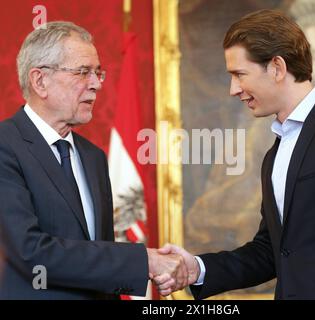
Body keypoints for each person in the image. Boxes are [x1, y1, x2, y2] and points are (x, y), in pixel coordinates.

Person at [153, 9, 315, 299]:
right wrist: (197, 269)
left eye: (239, 74)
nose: (233, 89)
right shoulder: (274, 154)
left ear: (276, 67)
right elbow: (271, 252)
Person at [0, 21, 187, 299]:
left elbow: (100, 255)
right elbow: (31, 253)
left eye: (98, 72)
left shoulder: (93, 157)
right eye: (83, 72)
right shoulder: (5, 145)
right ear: (40, 81)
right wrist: (143, 261)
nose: (97, 84)